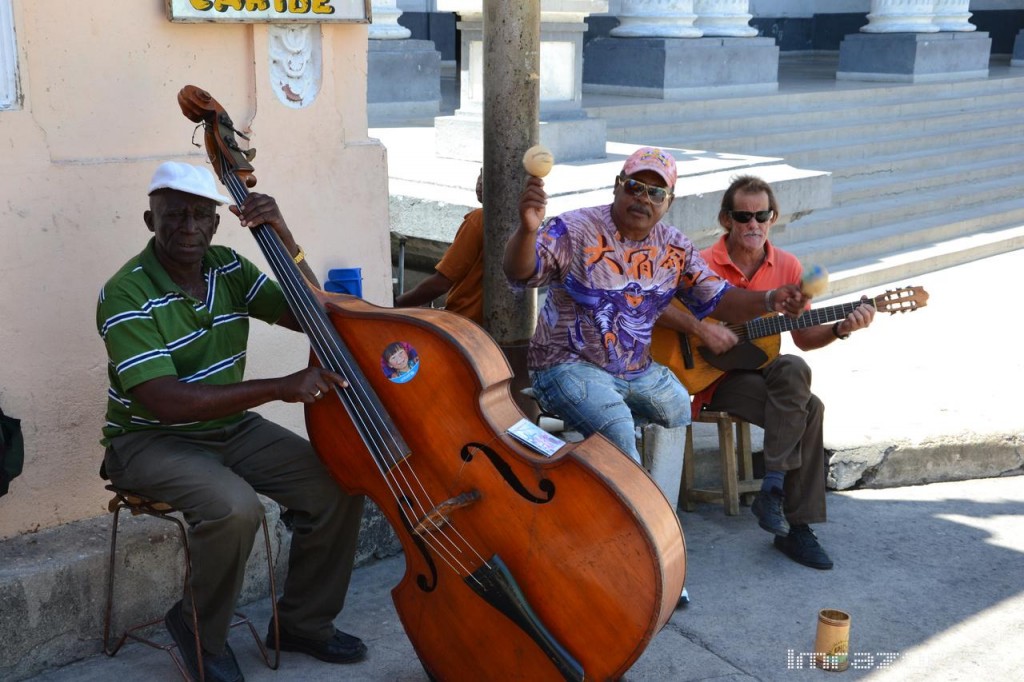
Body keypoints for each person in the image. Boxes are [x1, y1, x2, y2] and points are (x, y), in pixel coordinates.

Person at [96, 162, 367, 682]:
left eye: (202, 215)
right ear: (150, 219)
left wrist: (284, 236)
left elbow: (317, 314)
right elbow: (165, 401)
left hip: (228, 428)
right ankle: (198, 628)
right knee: (235, 509)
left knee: (337, 484)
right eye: (175, 215)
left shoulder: (228, 268)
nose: (189, 227)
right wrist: (278, 388)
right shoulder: (124, 292)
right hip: (147, 440)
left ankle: (304, 624)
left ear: (218, 223)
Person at [503, 147, 808, 466]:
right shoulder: (575, 228)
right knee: (617, 427)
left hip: (635, 370)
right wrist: (527, 230)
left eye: (656, 192)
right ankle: (635, 511)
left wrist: (771, 299)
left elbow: (721, 300)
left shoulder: (674, 246)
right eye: (635, 187)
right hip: (565, 364)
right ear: (618, 185)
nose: (644, 198)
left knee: (678, 408)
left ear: (669, 201)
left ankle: (661, 505)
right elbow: (520, 271)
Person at [667, 175, 875, 570]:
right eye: (743, 216)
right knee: (810, 411)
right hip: (714, 377)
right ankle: (796, 528)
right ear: (726, 220)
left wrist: (840, 327)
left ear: (774, 217)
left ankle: (774, 489)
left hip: (767, 371)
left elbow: (804, 339)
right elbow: (666, 310)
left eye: (762, 215)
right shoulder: (702, 264)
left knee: (795, 367)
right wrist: (702, 329)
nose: (753, 224)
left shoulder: (788, 267)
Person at [394, 169, 484, 324]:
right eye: (480, 173)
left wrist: (396, 304)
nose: (480, 182)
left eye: (485, 175)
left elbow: (441, 284)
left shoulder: (479, 220)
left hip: (465, 323)